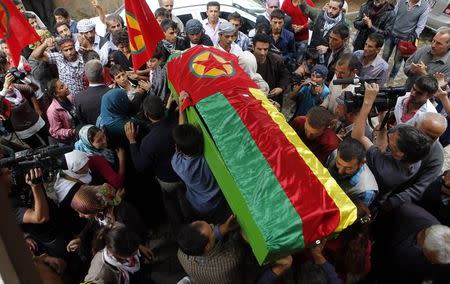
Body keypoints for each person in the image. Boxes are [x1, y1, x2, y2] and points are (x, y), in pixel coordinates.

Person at [351, 83, 436, 212]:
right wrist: (382, 118)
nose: (389, 137)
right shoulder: (416, 154)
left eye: (392, 142)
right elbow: (383, 144)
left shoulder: (386, 170)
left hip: (366, 194)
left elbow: (358, 136)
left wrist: (367, 103)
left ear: (399, 154)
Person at [124, 95, 186, 230]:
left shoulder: (148, 142)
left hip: (168, 180)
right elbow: (166, 120)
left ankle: (179, 228)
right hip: (186, 174)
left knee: (171, 203)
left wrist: (132, 142)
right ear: (164, 108)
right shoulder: (176, 122)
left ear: (146, 114)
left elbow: (141, 166)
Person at [177, 215, 292, 284]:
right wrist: (249, 239)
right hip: (244, 278)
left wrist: (224, 229)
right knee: (286, 261)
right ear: (207, 247)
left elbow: (212, 239)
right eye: (212, 229)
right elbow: (245, 245)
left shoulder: (182, 253)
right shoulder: (230, 260)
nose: (213, 224)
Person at [171, 91, 230, 223]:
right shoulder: (209, 160)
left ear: (178, 149)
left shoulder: (177, 163)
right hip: (218, 202)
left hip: (197, 203)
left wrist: (181, 110)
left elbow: (181, 137)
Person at [373, 203, 450, 283]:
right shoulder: (405, 213)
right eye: (430, 259)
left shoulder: (441, 253)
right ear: (423, 244)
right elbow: (380, 227)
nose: (432, 263)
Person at [4, 167, 67, 258]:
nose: (9, 170)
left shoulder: (17, 179)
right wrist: (35, 186)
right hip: (51, 236)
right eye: (4, 171)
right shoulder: (6, 205)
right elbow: (41, 217)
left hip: (59, 216)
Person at [84, 225, 153, 284]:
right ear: (119, 255)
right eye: (133, 253)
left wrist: (140, 246)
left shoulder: (118, 230)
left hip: (134, 274)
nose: (137, 253)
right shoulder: (99, 274)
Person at [382, 0, 430, 82]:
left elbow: (420, 26)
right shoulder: (401, 1)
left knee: (397, 61)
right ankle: (380, 73)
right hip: (391, 34)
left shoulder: (425, 7)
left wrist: (414, 36)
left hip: (405, 39)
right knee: (385, 56)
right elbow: (393, 14)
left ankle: (391, 78)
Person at [326, 138, 378, 206]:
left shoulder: (367, 191)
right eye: (338, 164)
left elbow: (354, 214)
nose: (340, 171)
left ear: (362, 163)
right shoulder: (336, 153)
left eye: (348, 168)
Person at [252, 33, 290, 106]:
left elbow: (286, 75)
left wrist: (280, 88)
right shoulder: (247, 61)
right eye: (259, 49)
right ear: (253, 47)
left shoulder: (276, 60)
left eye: (265, 49)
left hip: (272, 100)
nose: (262, 53)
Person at [75, 59, 110, 126]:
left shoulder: (78, 98)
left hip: (93, 134)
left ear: (86, 75)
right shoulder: (112, 93)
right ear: (102, 73)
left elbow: (82, 121)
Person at [46, 79, 78, 145]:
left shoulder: (70, 98)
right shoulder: (52, 111)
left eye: (64, 84)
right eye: (62, 87)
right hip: (69, 141)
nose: (66, 87)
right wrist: (72, 132)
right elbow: (57, 131)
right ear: (56, 94)